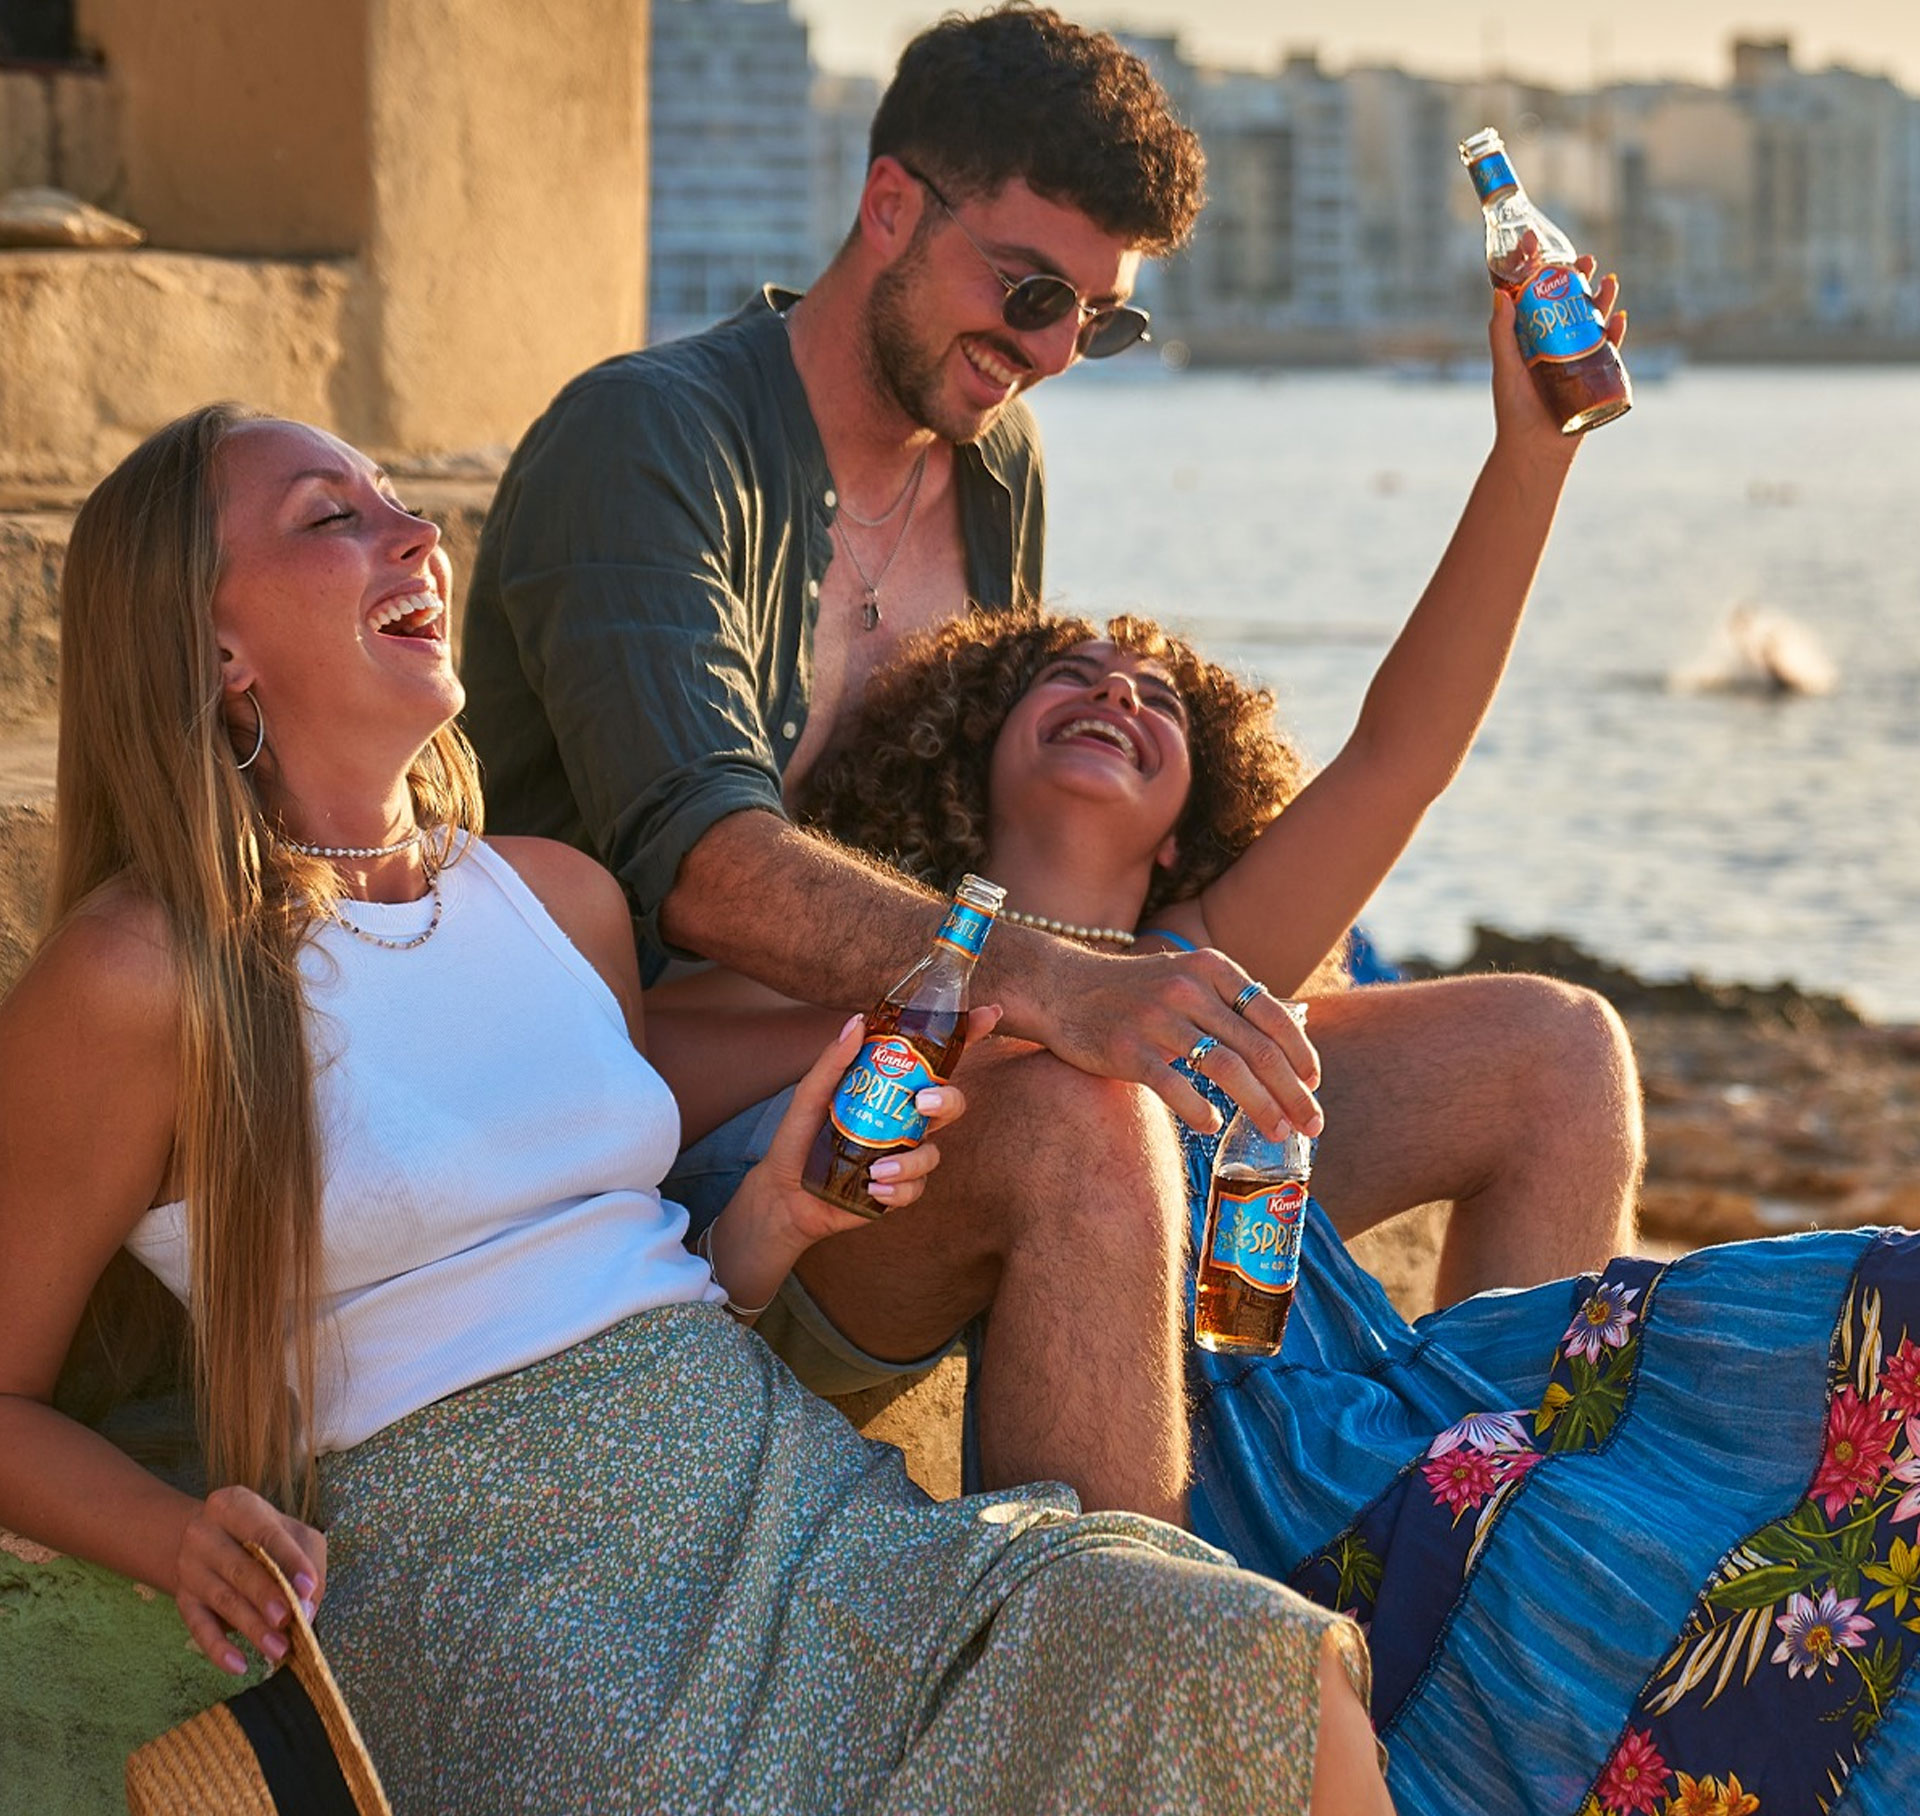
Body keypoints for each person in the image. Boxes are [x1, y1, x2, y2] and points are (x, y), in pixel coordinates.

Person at [0, 406, 1394, 1814]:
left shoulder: (554, 898)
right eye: (331, 518)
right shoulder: (144, 973)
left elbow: (622, 1282)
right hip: (499, 1599)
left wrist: (768, 1220)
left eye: (397, 500)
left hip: (777, 1490)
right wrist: (171, 1534)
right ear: (215, 649)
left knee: (1263, 1666)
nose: (415, 533)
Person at [461, 1, 1642, 1526]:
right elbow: (706, 866)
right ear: (892, 205)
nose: (1053, 354)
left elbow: (1381, 765)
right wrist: (1048, 993)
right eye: (1031, 292)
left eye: (1100, 320)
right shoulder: (652, 442)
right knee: (1092, 1117)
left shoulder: (992, 459)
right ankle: (1120, 1658)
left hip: (982, 1066)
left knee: (1553, 1053)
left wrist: (1531, 450)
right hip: (698, 1161)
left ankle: (1504, 1561)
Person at [797, 489, 1920, 1810]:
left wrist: (1531, 455)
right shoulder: (916, 974)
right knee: (1603, 1566)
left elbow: (1403, 752)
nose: (1117, 690)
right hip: (1254, 1488)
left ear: (1184, 827)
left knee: (1880, 1325)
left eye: (1159, 699)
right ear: (967, 757)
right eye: (1069, 675)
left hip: (1386, 1412)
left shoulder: (1206, 955)